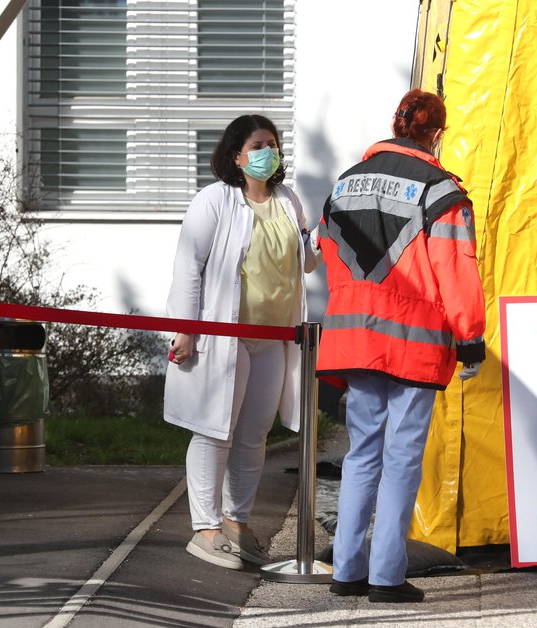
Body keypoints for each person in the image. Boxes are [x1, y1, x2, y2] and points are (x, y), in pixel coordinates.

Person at [315, 89, 486, 602]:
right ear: (435, 133)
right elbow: (456, 272)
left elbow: (327, 255)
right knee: (402, 459)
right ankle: (387, 578)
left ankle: (346, 571)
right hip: (414, 343)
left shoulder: (344, 184)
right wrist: (470, 340)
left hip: (354, 340)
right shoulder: (441, 191)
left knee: (362, 454)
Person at [164, 114, 317, 570]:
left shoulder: (288, 200)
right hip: (223, 337)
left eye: (272, 143)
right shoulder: (214, 201)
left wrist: (328, 233)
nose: (267, 151)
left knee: (254, 435)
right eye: (257, 145)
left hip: (272, 340)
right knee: (214, 430)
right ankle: (204, 528)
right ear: (236, 155)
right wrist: (185, 329)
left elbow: (306, 261)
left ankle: (236, 521)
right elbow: (188, 268)